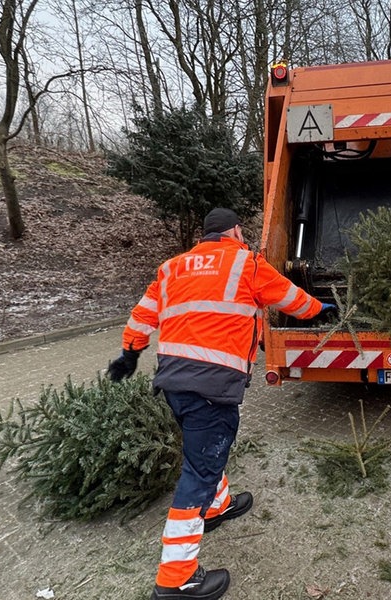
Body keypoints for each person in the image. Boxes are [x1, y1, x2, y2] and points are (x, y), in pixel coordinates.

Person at [106, 207, 334, 600]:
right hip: (211, 387)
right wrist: (320, 309)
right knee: (199, 472)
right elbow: (290, 299)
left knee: (203, 453)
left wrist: (130, 353)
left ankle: (219, 505)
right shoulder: (246, 263)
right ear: (235, 231)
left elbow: (143, 315)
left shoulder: (173, 267)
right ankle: (176, 578)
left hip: (176, 383)